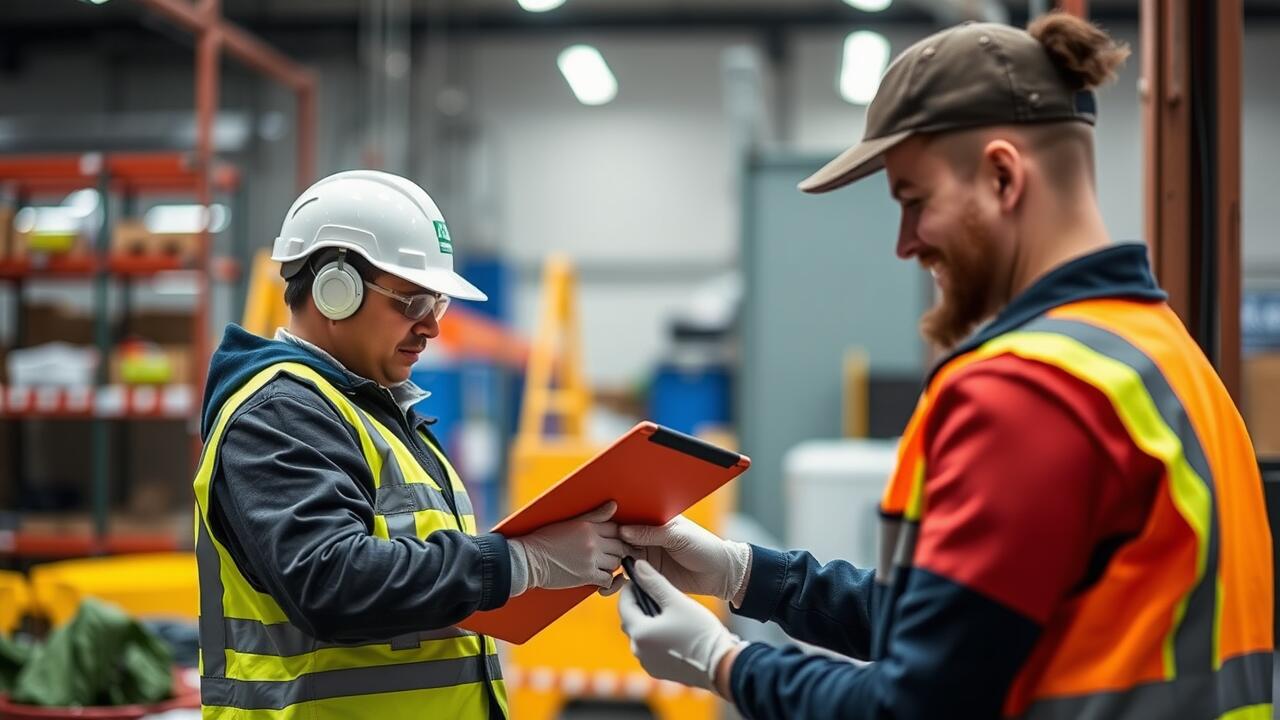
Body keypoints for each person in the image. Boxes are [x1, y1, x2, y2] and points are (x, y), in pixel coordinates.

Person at [617, 15, 1274, 719]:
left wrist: (724, 663)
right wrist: (747, 575)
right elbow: (961, 623)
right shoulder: (1160, 352)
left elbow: (915, 705)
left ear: (1001, 176)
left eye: (914, 202)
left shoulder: (1028, 391)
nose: (905, 244)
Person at [192, 170, 628, 719]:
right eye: (413, 303)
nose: (431, 328)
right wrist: (521, 562)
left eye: (437, 306)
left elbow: (415, 582)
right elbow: (330, 581)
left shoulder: (377, 413)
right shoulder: (278, 415)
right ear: (335, 288)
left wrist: (539, 565)